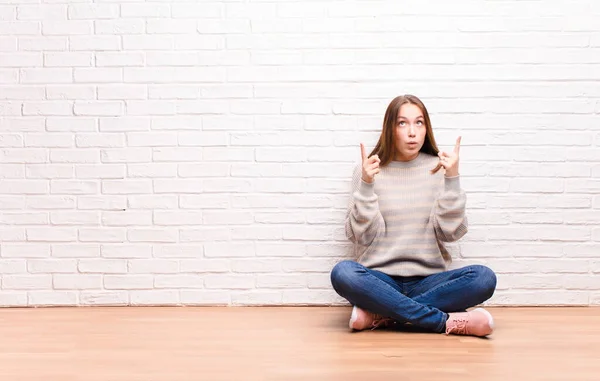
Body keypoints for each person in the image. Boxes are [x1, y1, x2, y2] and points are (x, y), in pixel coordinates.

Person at [330, 94, 497, 337]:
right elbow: (359, 236)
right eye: (402, 123)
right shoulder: (368, 170)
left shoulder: (439, 168)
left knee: (483, 278)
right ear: (390, 128)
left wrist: (452, 180)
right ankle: (444, 322)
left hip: (430, 281)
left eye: (419, 123)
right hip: (380, 280)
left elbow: (450, 234)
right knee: (343, 273)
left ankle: (383, 314)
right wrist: (366, 184)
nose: (412, 132)